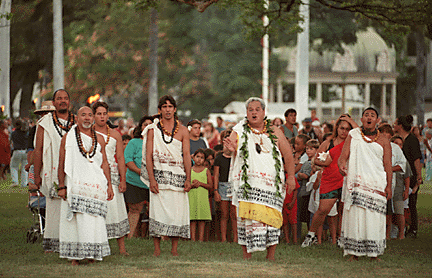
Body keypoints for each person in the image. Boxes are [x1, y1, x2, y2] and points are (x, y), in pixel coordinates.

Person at [225, 97, 296, 260]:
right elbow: (230, 146)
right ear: (246, 113)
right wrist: (231, 149)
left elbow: (287, 155)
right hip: (248, 183)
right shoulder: (239, 129)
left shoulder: (275, 131)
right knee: (245, 218)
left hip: (271, 184)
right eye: (250, 109)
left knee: (272, 217)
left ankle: (270, 256)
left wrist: (291, 177)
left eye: (257, 109)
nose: (254, 112)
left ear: (264, 112)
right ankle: (246, 255)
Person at [57, 106, 114, 265]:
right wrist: (62, 186)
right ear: (77, 118)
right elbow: (62, 163)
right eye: (84, 115)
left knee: (94, 221)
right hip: (75, 186)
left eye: (90, 115)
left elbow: (104, 164)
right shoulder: (68, 138)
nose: (87, 118)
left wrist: (109, 185)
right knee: (76, 222)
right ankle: (75, 257)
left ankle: (92, 254)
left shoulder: (100, 139)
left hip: (96, 186)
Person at [338, 107, 392, 261]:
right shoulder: (353, 136)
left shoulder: (384, 140)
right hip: (357, 184)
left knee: (374, 218)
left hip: (376, 184)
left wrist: (388, 185)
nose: (369, 117)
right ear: (361, 119)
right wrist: (341, 165)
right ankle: (354, 253)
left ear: (377, 120)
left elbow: (387, 164)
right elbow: (343, 157)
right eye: (366, 115)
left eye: (372, 115)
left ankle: (373, 254)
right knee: (356, 217)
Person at [141, 95, 192, 257]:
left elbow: (186, 155)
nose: (168, 109)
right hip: (159, 177)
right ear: (160, 110)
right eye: (164, 106)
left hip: (178, 177)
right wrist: (152, 179)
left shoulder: (183, 130)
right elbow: (148, 156)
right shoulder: (152, 130)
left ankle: (174, 249)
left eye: (170, 106)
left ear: (175, 109)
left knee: (177, 213)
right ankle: (157, 249)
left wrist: (188, 178)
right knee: (157, 212)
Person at [302, 115, 355, 247]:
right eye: (342, 128)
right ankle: (311, 235)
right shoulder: (328, 143)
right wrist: (327, 161)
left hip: (347, 179)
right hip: (330, 180)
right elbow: (316, 160)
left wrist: (351, 121)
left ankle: (342, 237)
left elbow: (360, 132)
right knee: (322, 210)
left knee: (345, 211)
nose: (344, 131)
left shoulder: (354, 142)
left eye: (348, 129)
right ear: (337, 128)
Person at [33, 89, 75, 253]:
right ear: (54, 102)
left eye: (65, 98)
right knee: (54, 207)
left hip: (73, 170)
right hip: (52, 170)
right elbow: (38, 150)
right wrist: (36, 175)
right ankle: (52, 244)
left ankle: (71, 241)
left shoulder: (77, 121)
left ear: (69, 101)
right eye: (59, 99)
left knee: (73, 206)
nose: (63, 101)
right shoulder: (45, 123)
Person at [92, 102, 129, 255]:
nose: (102, 116)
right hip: (94, 175)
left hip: (113, 176)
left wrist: (123, 180)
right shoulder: (88, 133)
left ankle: (122, 249)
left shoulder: (114, 134)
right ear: (94, 115)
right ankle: (98, 246)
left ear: (107, 115)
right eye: (99, 113)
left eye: (104, 113)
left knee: (116, 210)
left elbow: (120, 158)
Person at [124, 116, 153, 239]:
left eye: (150, 124)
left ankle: (161, 239)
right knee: (135, 210)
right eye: (144, 124)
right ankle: (130, 238)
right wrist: (140, 172)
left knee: (157, 211)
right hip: (135, 181)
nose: (147, 126)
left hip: (153, 183)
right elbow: (128, 160)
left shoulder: (159, 142)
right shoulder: (134, 142)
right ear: (140, 127)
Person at [378, 124, 408, 239]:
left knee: (388, 211)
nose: (385, 137)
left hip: (389, 183)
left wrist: (388, 169)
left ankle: (387, 235)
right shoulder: (373, 146)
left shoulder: (395, 148)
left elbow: (402, 165)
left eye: (388, 135)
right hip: (375, 182)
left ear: (391, 136)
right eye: (383, 134)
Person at [394, 115, 422, 239]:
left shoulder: (412, 140)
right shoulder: (399, 139)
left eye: (395, 123)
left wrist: (419, 177)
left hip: (411, 176)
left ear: (400, 126)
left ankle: (413, 229)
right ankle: (402, 227)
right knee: (402, 204)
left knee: (411, 203)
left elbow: (416, 159)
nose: (394, 126)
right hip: (399, 176)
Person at [214, 129, 237, 243]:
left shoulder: (236, 158)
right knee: (224, 214)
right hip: (222, 186)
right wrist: (216, 190)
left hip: (233, 186)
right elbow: (216, 175)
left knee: (234, 215)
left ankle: (236, 238)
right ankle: (223, 239)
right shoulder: (219, 158)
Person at [188, 148, 213, 241]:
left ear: (205, 160)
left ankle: (201, 240)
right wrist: (192, 185)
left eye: (202, 158)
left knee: (202, 219)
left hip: (202, 197)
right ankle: (193, 239)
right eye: (197, 157)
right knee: (193, 219)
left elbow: (210, 185)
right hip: (192, 196)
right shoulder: (189, 170)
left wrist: (200, 183)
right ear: (193, 158)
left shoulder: (206, 171)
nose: (199, 159)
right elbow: (186, 185)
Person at [390, 135, 411, 239]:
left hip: (398, 190)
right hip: (389, 189)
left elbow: (407, 177)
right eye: (396, 143)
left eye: (400, 144)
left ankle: (401, 234)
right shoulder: (389, 157)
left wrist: (406, 190)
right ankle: (389, 233)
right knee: (389, 213)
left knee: (399, 212)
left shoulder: (404, 161)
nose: (398, 146)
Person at [10, 119, 29, 187]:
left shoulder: (14, 133)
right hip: (25, 151)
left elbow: (11, 142)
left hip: (17, 150)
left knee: (14, 166)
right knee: (24, 168)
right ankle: (24, 183)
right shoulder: (26, 132)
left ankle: (15, 181)